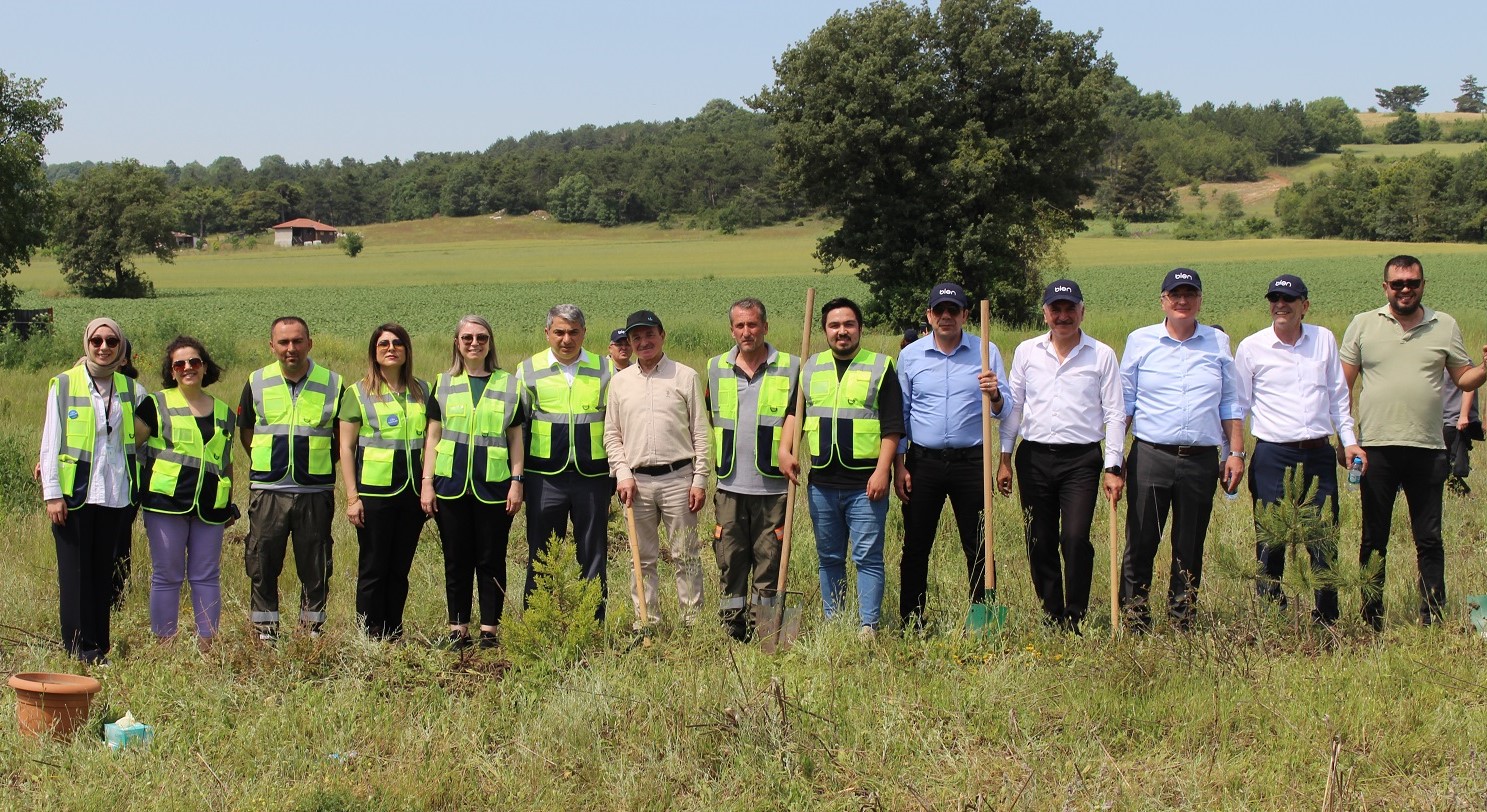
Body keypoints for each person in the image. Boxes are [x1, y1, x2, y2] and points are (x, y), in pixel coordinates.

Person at [1340, 255, 1487, 629]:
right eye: (1398, 283)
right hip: (1376, 448)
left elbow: (1463, 379)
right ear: (1385, 286)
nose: (1406, 289)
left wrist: (1484, 369)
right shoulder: (1362, 325)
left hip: (1427, 447)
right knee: (1374, 538)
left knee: (1430, 539)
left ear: (1423, 284)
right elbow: (1342, 388)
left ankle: (1432, 618)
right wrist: (1346, 439)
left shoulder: (1445, 325)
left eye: (1413, 282)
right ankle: (1371, 617)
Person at [995, 280, 1124, 633]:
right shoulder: (1026, 352)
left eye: (1070, 309)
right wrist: (1005, 457)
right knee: (1039, 537)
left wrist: (1114, 466)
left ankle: (1075, 612)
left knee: (1075, 537)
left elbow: (1114, 413)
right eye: (1056, 309)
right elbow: (1015, 408)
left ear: (1082, 311)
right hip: (1033, 457)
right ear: (1045, 313)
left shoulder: (1102, 355)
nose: (1063, 316)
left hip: (1081, 460)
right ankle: (1052, 613)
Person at [1119, 268, 1244, 631]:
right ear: (1163, 300)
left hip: (1200, 460)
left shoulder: (1217, 343)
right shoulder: (1140, 341)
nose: (1183, 301)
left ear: (1200, 300)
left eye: (1190, 294)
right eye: (1175, 294)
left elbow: (1230, 403)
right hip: (1150, 456)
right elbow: (1125, 404)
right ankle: (1135, 620)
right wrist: (1113, 459)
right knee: (1141, 542)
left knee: (1189, 546)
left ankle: (1182, 621)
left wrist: (1234, 453)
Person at [1233, 275, 1362, 625]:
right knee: (1270, 541)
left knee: (1323, 540)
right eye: (1274, 298)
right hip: (1273, 455)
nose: (1280, 305)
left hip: (1319, 454)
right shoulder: (1251, 347)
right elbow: (1238, 407)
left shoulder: (1323, 340)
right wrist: (1233, 453)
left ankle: (1327, 617)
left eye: (1288, 299)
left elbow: (1338, 397)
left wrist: (1347, 440)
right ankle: (1272, 615)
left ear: (1304, 305)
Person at [781, 297, 904, 640]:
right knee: (830, 556)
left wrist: (883, 472)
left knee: (867, 556)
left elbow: (892, 426)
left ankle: (868, 625)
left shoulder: (881, 367)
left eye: (848, 324)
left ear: (859, 329)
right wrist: (784, 449)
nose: (842, 331)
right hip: (821, 483)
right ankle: (835, 620)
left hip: (866, 485)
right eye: (834, 326)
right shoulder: (811, 367)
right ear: (824, 331)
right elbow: (794, 414)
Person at [895, 282, 1003, 629]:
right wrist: (900, 465)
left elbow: (1005, 409)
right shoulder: (911, 356)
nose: (945, 317)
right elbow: (901, 413)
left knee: (979, 545)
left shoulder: (986, 351)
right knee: (916, 546)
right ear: (929, 315)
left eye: (953, 311)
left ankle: (983, 623)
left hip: (971, 461)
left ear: (965, 315)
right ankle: (912, 620)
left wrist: (996, 394)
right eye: (939, 311)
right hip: (922, 462)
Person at [40, 318, 148, 664]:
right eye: (97, 340)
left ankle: (100, 646)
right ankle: (76, 648)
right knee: (74, 575)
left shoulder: (133, 391)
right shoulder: (64, 384)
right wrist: (52, 493)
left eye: (112, 341)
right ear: (86, 343)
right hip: (74, 496)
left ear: (122, 348)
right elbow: (50, 441)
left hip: (116, 494)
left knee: (103, 574)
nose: (104, 347)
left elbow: (145, 438)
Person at [422, 315, 525, 649]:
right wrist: (427, 482)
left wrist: (517, 481)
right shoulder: (443, 383)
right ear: (457, 343)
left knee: (491, 558)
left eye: (481, 337)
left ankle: (489, 630)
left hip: (494, 487)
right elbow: (433, 435)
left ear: (490, 342)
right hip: (451, 486)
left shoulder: (509, 384)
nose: (474, 343)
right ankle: (458, 628)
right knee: (456, 558)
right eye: (467, 338)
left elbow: (515, 439)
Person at [239, 316, 342, 641]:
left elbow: (341, 438)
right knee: (262, 563)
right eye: (283, 342)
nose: (291, 348)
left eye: (298, 341)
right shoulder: (256, 381)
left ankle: (310, 631)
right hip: (268, 490)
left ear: (310, 343)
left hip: (315, 490)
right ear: (272, 346)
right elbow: (246, 433)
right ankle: (265, 632)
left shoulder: (333, 383)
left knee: (316, 564)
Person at [605, 310, 710, 626]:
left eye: (649, 334)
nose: (643, 341)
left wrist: (700, 477)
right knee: (642, 557)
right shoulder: (620, 382)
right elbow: (612, 434)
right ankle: (646, 619)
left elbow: (700, 431)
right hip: (636, 483)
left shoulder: (684, 376)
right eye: (636, 337)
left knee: (685, 554)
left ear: (662, 335)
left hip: (679, 478)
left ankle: (691, 619)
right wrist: (622, 473)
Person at [704, 298, 798, 641]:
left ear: (765, 327)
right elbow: (709, 417)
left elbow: (796, 418)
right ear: (732, 330)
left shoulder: (792, 366)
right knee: (730, 560)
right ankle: (732, 631)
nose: (747, 332)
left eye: (753, 325)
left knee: (769, 560)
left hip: (773, 487)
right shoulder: (715, 367)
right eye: (740, 326)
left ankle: (767, 631)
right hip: (729, 484)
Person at [139, 336, 237, 644]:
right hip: (165, 503)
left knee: (206, 575)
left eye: (194, 362)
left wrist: (228, 502)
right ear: (171, 370)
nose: (187, 368)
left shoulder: (224, 412)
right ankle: (164, 642)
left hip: (210, 506)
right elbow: (127, 446)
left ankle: (208, 643)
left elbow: (226, 462)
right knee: (167, 575)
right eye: (179, 364)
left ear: (205, 367)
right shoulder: (155, 404)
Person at [517, 305, 613, 619]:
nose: (566, 339)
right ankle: (538, 619)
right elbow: (519, 428)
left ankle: (593, 621)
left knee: (593, 552)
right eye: (559, 332)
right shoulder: (527, 370)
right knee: (543, 553)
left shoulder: (605, 368)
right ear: (547, 333)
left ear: (584, 332)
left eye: (573, 332)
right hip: (544, 478)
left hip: (593, 476)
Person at [338, 323, 429, 642]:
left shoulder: (422, 390)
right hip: (374, 494)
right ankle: (368, 631)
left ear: (407, 350)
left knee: (399, 568)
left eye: (398, 343)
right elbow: (346, 448)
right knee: (374, 566)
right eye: (384, 344)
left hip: (413, 494)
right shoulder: (356, 393)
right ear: (374, 353)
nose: (391, 348)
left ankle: (394, 629)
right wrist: (352, 498)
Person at [1441, 370, 1481, 496]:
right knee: (1443, 466)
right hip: (1441, 420)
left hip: (1453, 421)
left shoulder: (1460, 361)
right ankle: (1467, 496)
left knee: (1446, 466)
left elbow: (1469, 387)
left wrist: (1463, 416)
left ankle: (1467, 496)